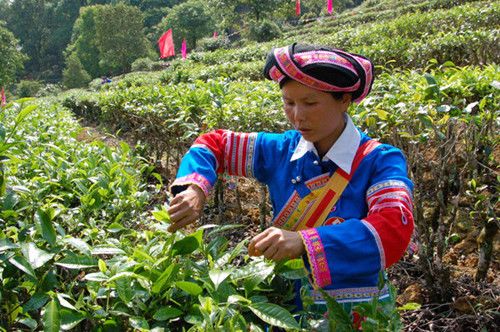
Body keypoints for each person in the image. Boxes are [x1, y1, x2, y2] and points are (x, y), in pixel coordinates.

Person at [167, 43, 414, 323]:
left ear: (344, 100)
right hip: (288, 308)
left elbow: (394, 227)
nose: (298, 115)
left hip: (359, 315)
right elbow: (216, 145)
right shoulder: (283, 150)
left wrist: (304, 242)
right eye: (289, 102)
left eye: (310, 103)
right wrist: (195, 188)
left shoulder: (380, 160)